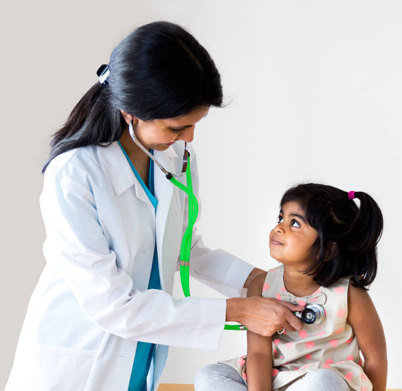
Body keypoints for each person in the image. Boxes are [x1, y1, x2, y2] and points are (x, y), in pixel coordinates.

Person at [5, 21, 304, 391]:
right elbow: (113, 305)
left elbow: (184, 248)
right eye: (176, 128)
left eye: (194, 125)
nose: (189, 138)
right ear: (132, 112)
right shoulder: (74, 175)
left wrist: (256, 280)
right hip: (78, 364)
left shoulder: (173, 156)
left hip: (138, 358)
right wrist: (237, 310)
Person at [195, 183, 387, 391]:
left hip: (322, 380)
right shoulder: (261, 285)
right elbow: (258, 354)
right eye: (281, 218)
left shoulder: (348, 293)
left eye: (295, 223)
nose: (279, 227)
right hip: (276, 379)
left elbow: (375, 357)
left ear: (328, 250)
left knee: (322, 382)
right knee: (209, 376)